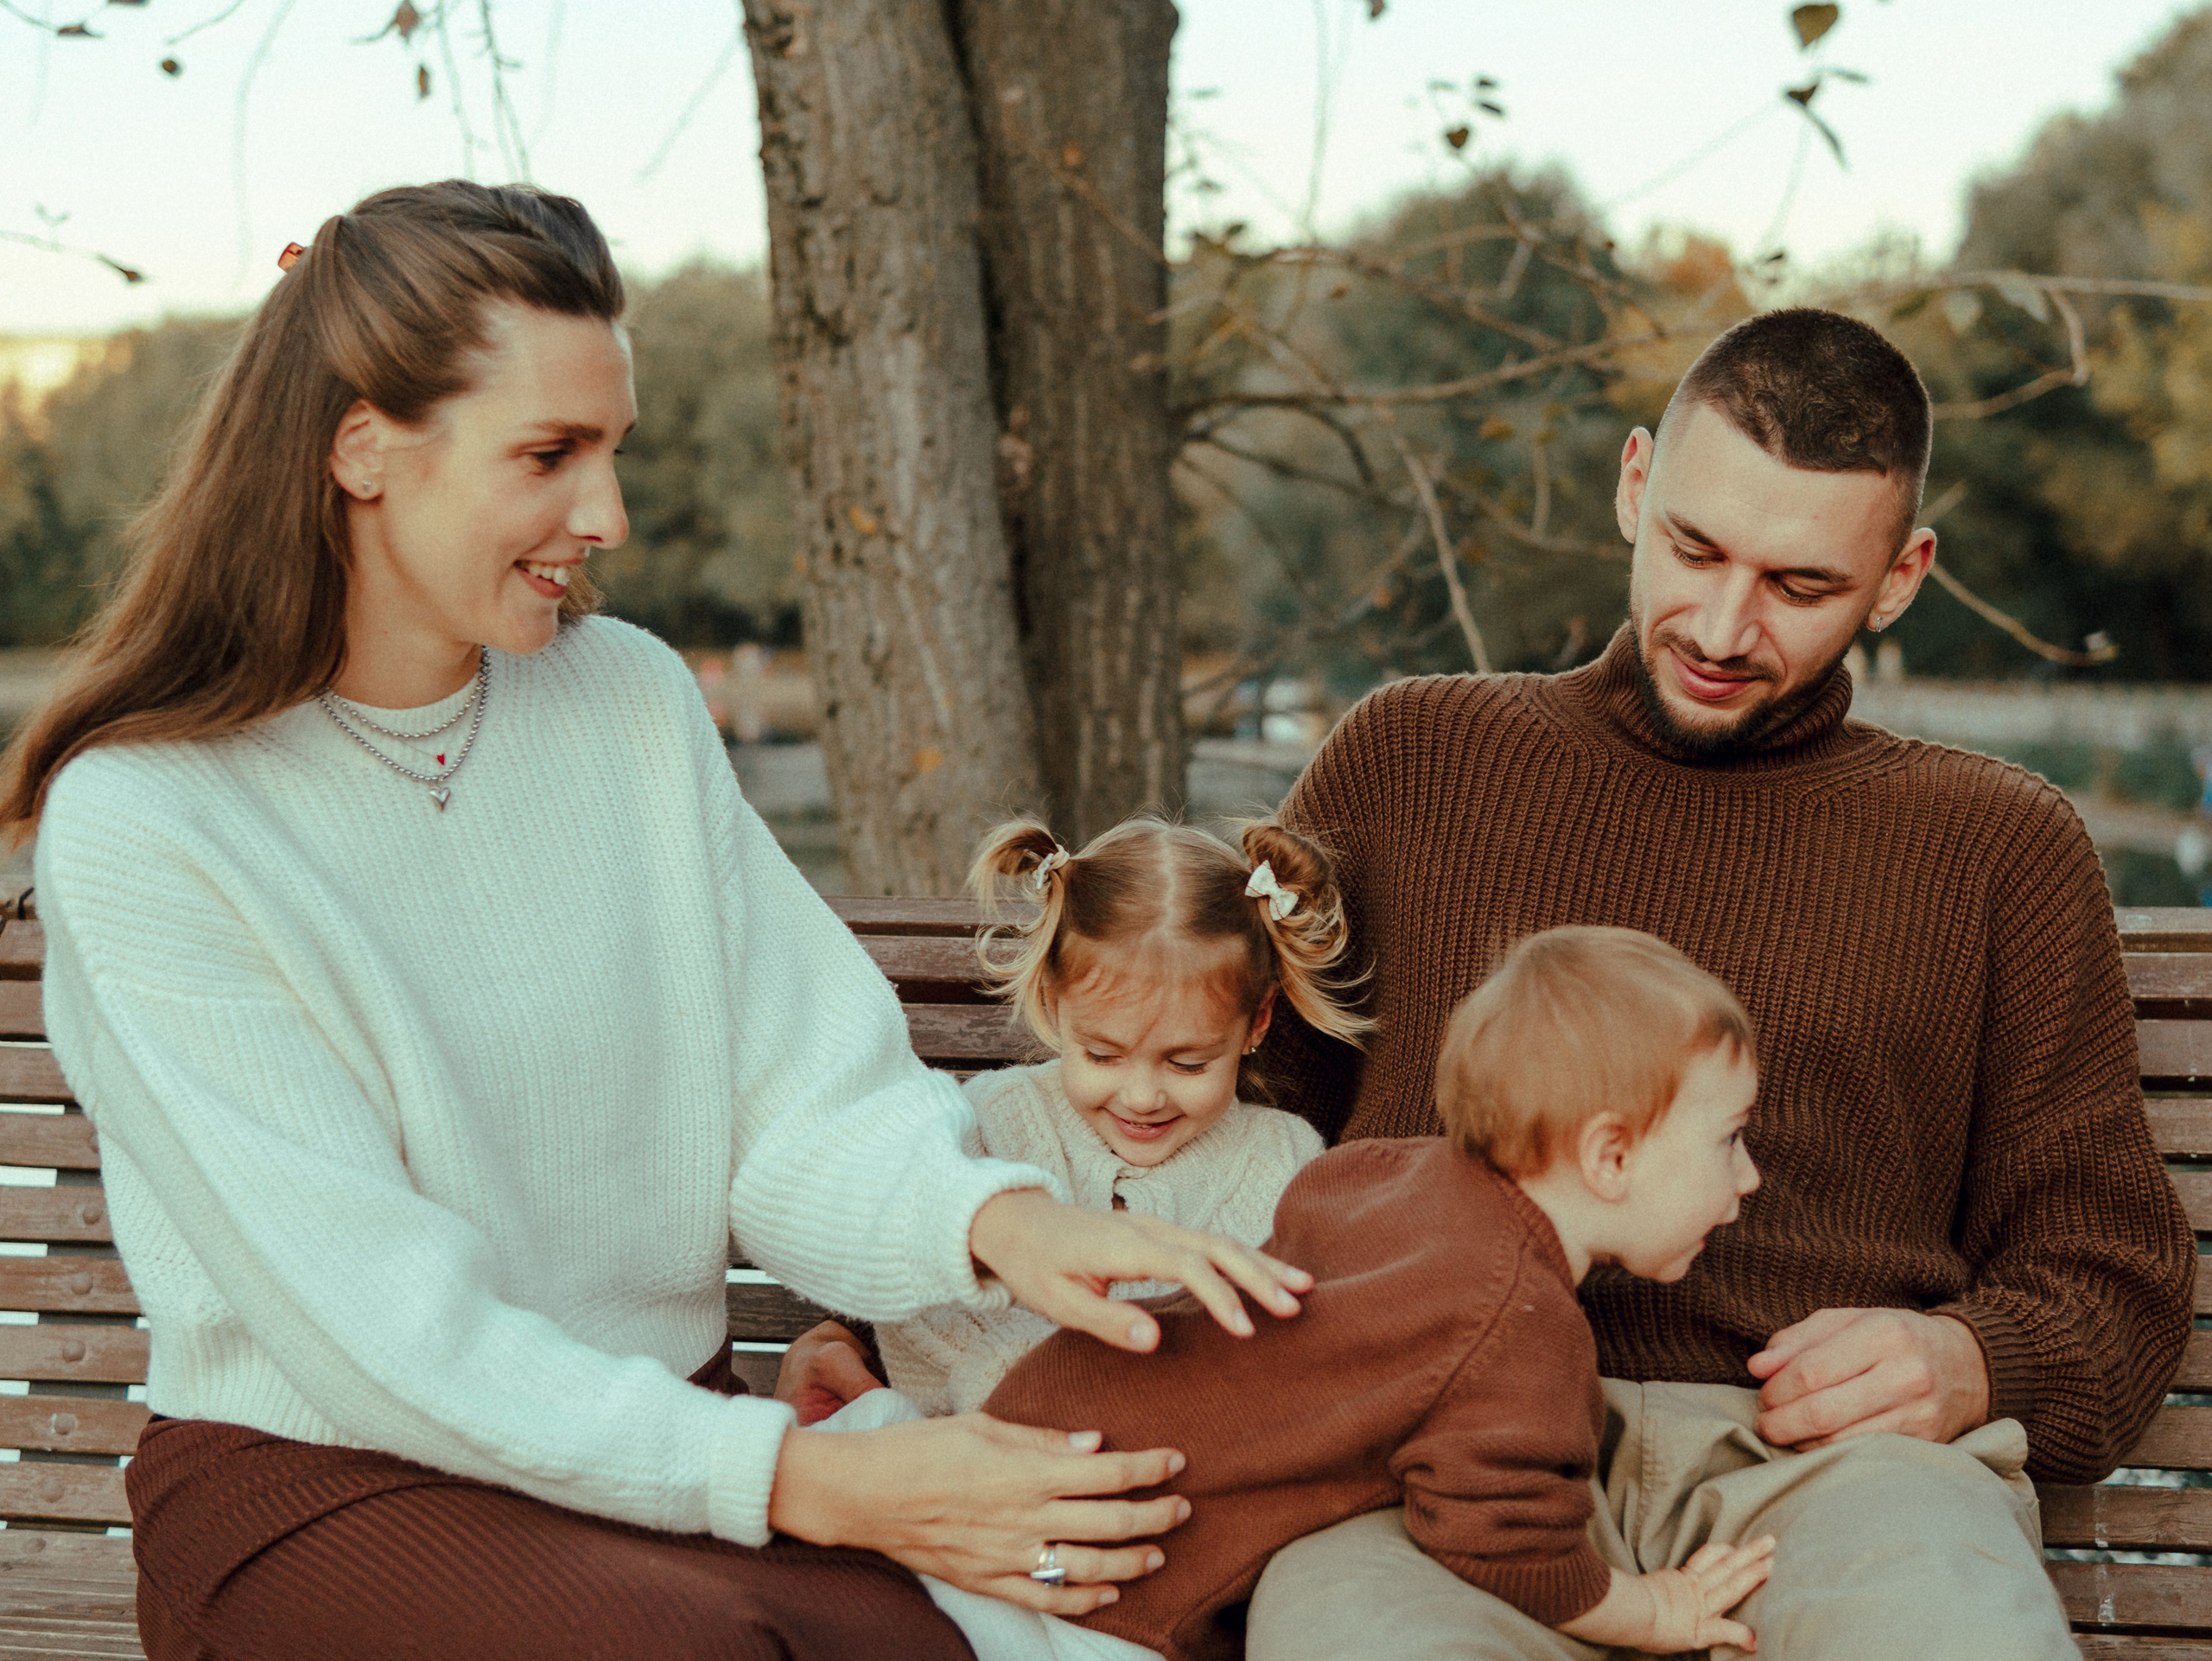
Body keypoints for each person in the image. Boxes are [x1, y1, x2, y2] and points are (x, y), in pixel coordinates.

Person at [0, 181, 1313, 1661]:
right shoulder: (154, 818)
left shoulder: (621, 699)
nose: (607, 516)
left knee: (1058, 1628)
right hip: (340, 1487)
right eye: (550, 454)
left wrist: (995, 1221)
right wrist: (810, 1479)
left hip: (667, 1467)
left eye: (611, 450)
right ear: (363, 445)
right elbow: (374, 1322)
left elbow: (793, 1095)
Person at [1246, 307, 2195, 1660]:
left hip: (1830, 1471)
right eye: (1694, 548)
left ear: (1903, 572)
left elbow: (2112, 1264)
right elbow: (1216, 1124)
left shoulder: (2000, 843)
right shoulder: (1416, 756)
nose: (1723, 624)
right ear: (1636, 484)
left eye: (1801, 585)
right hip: (1429, 1453)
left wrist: (1972, 1358)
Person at [976, 926, 1779, 1661]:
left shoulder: (1389, 1169)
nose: (1749, 1179)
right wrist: (1654, 1609)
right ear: (1610, 1157)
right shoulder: (1516, 1326)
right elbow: (1505, 1543)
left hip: (1037, 1413)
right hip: (1105, 1580)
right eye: (1729, 1139)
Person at [788, 815, 1363, 1425]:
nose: (1142, 1097)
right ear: (1054, 1003)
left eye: (1189, 1063)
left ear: (1257, 1023)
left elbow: (1283, 1350)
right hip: (969, 1444)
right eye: (1103, 1054)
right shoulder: (988, 1124)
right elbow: (926, 1312)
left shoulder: (1282, 1160)